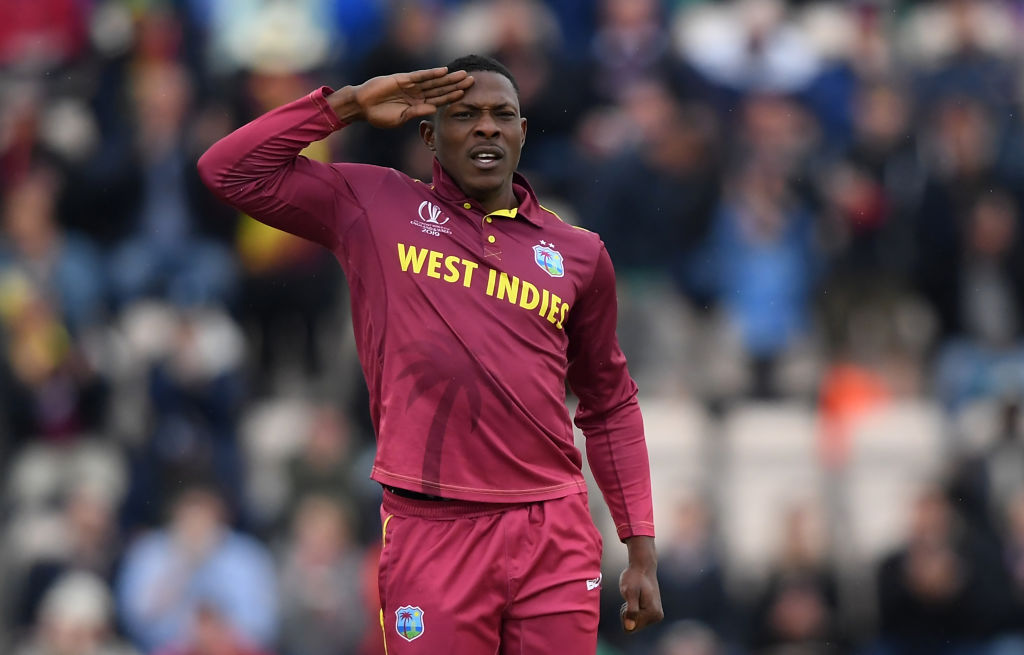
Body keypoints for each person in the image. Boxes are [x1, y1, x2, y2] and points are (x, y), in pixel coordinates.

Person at [198, 54, 663, 652]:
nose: (487, 127)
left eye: (503, 115)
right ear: (429, 135)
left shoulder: (578, 254)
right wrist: (346, 105)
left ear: (524, 132)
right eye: (465, 114)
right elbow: (228, 171)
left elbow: (610, 404)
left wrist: (641, 550)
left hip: (552, 526)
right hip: (431, 526)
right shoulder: (376, 206)